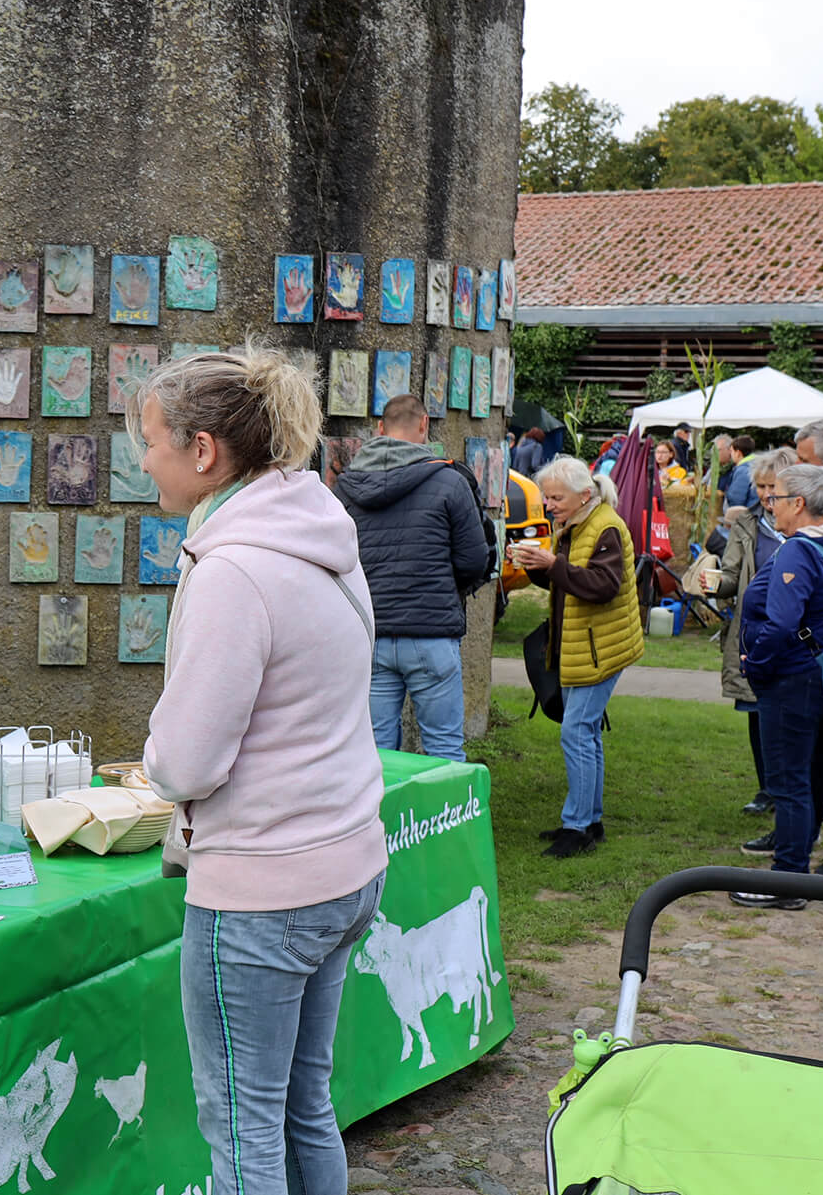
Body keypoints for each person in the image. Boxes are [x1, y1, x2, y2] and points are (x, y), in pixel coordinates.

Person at [135, 350, 387, 1194]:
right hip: (342, 859)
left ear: (203, 451)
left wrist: (153, 754)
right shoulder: (314, 529)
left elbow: (188, 760)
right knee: (300, 1105)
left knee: (244, 1132)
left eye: (152, 442)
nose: (145, 461)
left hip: (263, 889)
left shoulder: (233, 567)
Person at [332, 393, 489, 761]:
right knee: (444, 749)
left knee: (374, 754)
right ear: (424, 426)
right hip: (432, 632)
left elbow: (335, 560)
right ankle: (444, 819)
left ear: (380, 429)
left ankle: (381, 820)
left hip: (370, 633)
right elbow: (474, 559)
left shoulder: (345, 489)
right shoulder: (450, 483)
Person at [511, 457, 644, 859]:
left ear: (584, 494)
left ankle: (577, 827)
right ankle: (591, 820)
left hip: (599, 648)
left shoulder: (605, 527)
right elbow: (564, 579)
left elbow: (602, 586)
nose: (549, 504)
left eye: (556, 497)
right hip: (584, 645)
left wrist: (553, 563)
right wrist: (536, 566)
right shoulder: (575, 523)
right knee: (584, 733)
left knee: (576, 733)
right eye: (547, 497)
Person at [731, 463, 823, 908]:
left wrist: (757, 664)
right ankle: (797, 875)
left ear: (799, 504)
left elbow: (782, 620)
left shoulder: (799, 551)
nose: (770, 505)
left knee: (789, 781)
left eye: (776, 497)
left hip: (791, 677)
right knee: (810, 778)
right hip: (816, 676)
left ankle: (787, 880)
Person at [718, 448, 797, 828]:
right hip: (757, 634)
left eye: (773, 487)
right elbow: (731, 576)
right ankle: (767, 788)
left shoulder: (808, 526)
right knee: (757, 714)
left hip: (800, 637)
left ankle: (800, 794)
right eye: (762, 486)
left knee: (800, 719)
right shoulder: (747, 525)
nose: (767, 494)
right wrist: (716, 583)